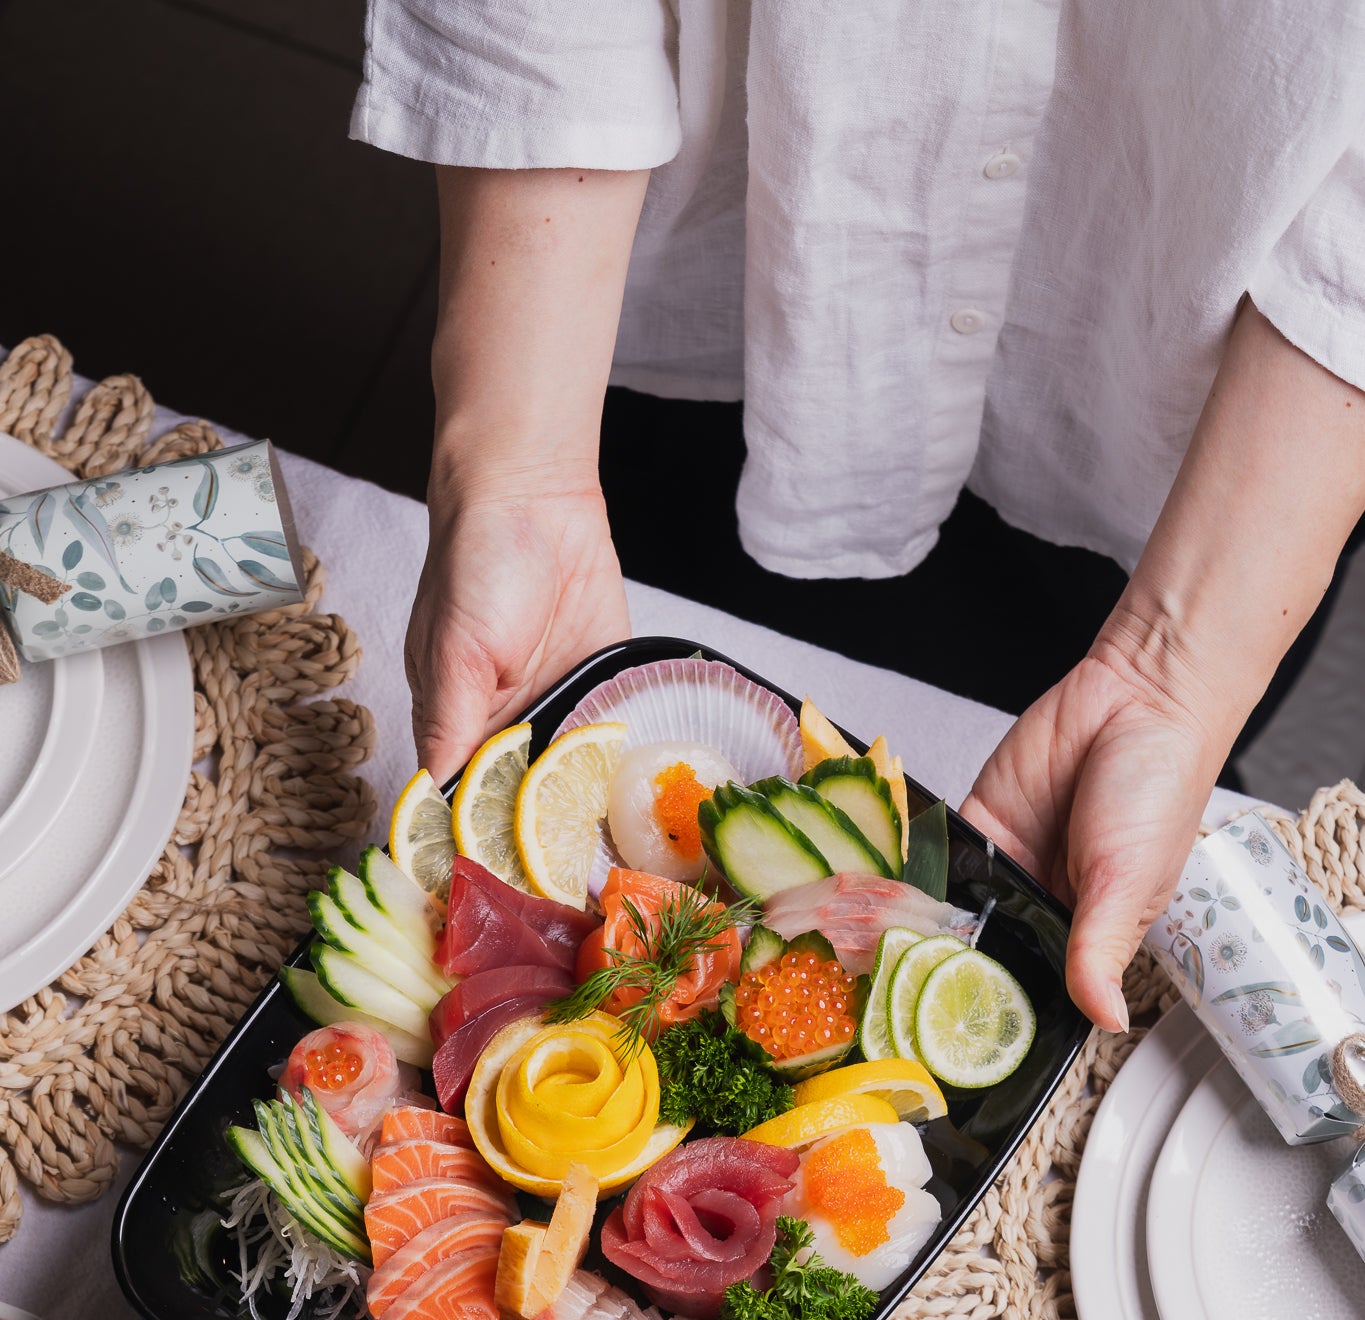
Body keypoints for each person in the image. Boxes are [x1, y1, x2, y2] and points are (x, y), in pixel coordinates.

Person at [351, 3, 1365, 1034]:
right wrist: (520, 476)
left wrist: (1173, 671)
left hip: (1214, 449)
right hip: (685, 293)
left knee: (1100, 793)